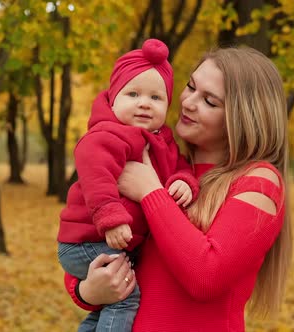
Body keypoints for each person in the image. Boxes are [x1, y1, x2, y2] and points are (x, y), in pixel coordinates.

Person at [64, 46, 292, 332]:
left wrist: (150, 192)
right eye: (191, 87)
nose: (188, 102)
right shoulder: (166, 163)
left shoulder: (258, 182)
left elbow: (206, 277)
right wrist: (86, 291)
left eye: (209, 101)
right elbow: (96, 242)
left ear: (243, 118)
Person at [57, 39, 199, 332]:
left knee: (106, 310)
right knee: (124, 299)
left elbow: (180, 166)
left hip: (111, 243)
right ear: (113, 99)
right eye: (133, 94)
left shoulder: (164, 142)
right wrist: (110, 218)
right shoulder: (108, 134)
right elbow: (96, 174)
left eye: (156, 98)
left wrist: (185, 181)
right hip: (86, 239)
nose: (145, 103)